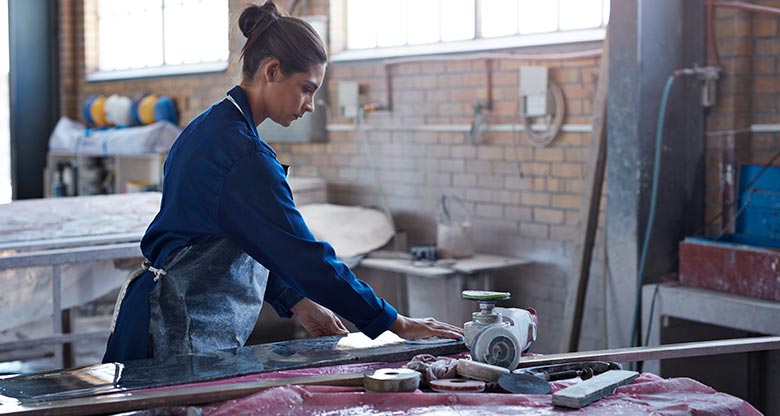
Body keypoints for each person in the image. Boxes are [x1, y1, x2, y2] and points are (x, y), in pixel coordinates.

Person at [103, 1, 463, 363]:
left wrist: (298, 302)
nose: (309, 105)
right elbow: (304, 256)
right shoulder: (241, 156)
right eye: (306, 88)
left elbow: (245, 241)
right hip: (177, 332)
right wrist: (393, 321)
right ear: (272, 71)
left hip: (160, 318)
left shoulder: (208, 129)